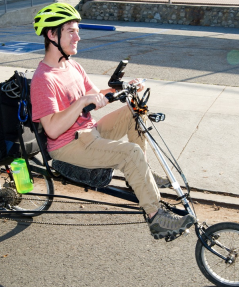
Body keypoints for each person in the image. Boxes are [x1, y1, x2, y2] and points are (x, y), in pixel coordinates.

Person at [30, 3, 196, 239]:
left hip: (90, 133)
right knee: (129, 153)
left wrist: (125, 88)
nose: (78, 36)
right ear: (51, 34)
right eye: (71, 31)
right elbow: (52, 129)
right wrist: (80, 103)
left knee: (133, 111)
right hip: (68, 146)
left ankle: (141, 174)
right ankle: (156, 217)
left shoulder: (72, 66)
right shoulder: (43, 79)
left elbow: (98, 96)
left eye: (77, 30)